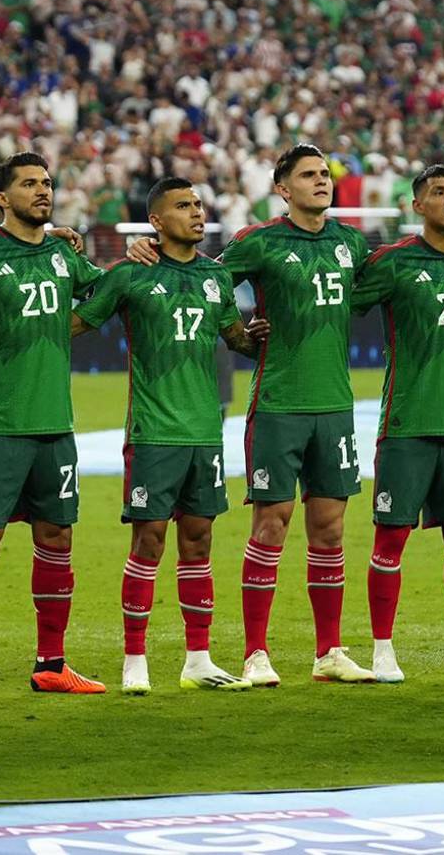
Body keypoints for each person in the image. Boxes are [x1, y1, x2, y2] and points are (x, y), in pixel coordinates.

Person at [130, 143, 375, 685]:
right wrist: (150, 249)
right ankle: (255, 654)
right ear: (283, 189)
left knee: (331, 531)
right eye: (308, 175)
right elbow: (199, 277)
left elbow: (387, 280)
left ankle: (329, 652)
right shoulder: (258, 242)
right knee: (271, 524)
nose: (321, 181)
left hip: (334, 406)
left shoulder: (351, 243)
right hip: (278, 405)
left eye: (324, 174)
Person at [72, 177, 266, 694]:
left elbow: (235, 339)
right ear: (156, 222)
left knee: (199, 541)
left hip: (205, 431)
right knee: (149, 541)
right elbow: (75, 322)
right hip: (154, 431)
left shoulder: (215, 277)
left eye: (199, 204)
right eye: (184, 206)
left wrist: (258, 340)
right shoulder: (131, 274)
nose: (197, 213)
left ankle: (197, 658)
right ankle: (134, 659)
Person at [0, 151, 106, 701]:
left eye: (47, 182)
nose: (43, 190)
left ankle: (52, 664)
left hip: (56, 424)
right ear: (2, 199)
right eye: (30, 184)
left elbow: (109, 293)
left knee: (57, 538)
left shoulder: (63, 254)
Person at [351, 164, 444, 681]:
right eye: (438, 193)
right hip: (406, 424)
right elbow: (337, 303)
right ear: (418, 206)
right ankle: (382, 650)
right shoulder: (392, 262)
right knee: (390, 540)